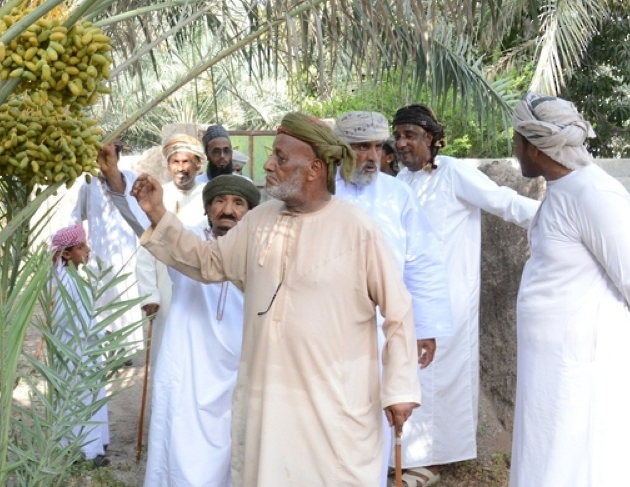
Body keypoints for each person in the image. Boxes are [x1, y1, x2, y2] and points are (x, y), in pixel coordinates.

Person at [130, 112, 421, 486]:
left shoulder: (359, 230)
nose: (268, 164)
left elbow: (398, 311)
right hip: (269, 404)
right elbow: (207, 261)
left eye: (281, 158)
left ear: (315, 168)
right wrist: (157, 212)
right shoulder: (259, 220)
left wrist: (399, 388)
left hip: (333, 405)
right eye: (272, 155)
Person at [509, 92, 630, 487]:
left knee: (583, 464)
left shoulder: (594, 193)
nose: (513, 148)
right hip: (557, 360)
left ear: (534, 146)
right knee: (549, 456)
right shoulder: (563, 189)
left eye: (516, 139)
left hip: (586, 359)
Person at [392, 104, 540, 485]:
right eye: (398, 135)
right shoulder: (402, 184)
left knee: (440, 376)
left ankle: (434, 459)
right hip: (409, 296)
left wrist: (556, 215)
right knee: (411, 375)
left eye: (410, 135)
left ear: (430, 138)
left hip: (451, 297)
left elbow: (504, 202)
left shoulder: (454, 172)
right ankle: (406, 454)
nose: (402, 143)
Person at [333, 111, 453, 487]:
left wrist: (427, 327)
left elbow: (422, 263)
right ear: (339, 149)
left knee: (378, 416)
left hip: (385, 328)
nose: (370, 156)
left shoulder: (398, 194)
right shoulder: (321, 192)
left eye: (375, 147)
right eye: (359, 146)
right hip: (328, 329)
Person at [142, 175, 261, 487]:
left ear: (250, 212)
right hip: (188, 368)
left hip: (236, 368)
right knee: (181, 446)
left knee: (233, 445)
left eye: (238, 203)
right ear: (208, 208)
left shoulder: (260, 252)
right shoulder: (188, 239)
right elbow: (145, 225)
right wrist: (126, 190)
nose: (228, 210)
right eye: (220, 201)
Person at [134, 135, 208, 363]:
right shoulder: (157, 195)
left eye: (187, 162)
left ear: (198, 164)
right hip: (165, 288)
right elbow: (146, 248)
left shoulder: (210, 195)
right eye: (175, 162)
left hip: (201, 283)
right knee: (166, 351)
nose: (181, 168)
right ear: (167, 165)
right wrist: (149, 295)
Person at [72, 141, 146, 351]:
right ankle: (106, 349)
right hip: (99, 257)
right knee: (101, 304)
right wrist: (76, 245)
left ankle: (126, 349)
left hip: (128, 256)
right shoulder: (88, 184)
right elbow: (77, 215)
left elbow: (137, 211)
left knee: (125, 303)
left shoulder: (131, 179)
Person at [49, 223, 110, 467]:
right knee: (81, 397)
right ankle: (84, 452)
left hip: (87, 348)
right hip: (76, 351)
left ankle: (94, 446)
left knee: (91, 395)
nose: (87, 250)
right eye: (81, 247)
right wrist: (94, 333)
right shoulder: (63, 281)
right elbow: (67, 320)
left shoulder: (74, 278)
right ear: (66, 254)